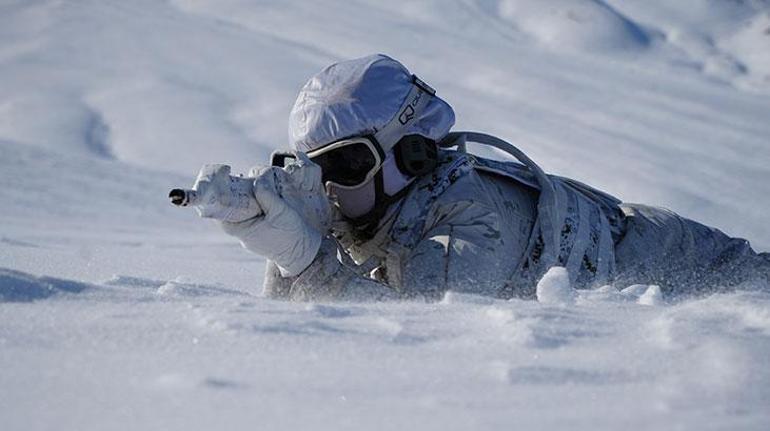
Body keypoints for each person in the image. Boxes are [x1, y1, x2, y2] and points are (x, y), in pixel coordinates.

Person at [214, 54, 770, 301]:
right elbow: (308, 324)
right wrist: (285, 247)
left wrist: (309, 262)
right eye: (313, 170)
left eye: (347, 164)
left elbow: (405, 342)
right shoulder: (391, 203)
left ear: (409, 154)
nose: (329, 187)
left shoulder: (471, 219)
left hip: (673, 258)